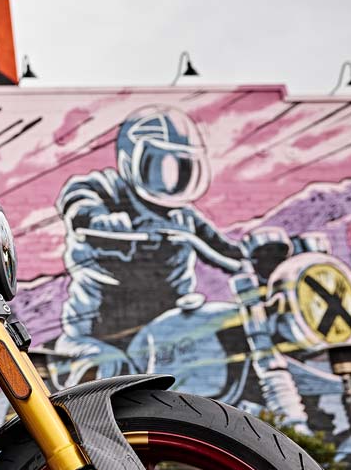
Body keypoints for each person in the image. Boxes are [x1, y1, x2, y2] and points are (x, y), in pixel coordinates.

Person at [53, 106, 245, 385]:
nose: (171, 179)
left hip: (169, 328)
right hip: (98, 333)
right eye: (159, 165)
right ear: (131, 159)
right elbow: (77, 199)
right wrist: (98, 220)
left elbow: (225, 249)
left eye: (182, 167)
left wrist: (260, 254)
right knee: (106, 371)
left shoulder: (183, 216)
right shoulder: (106, 189)